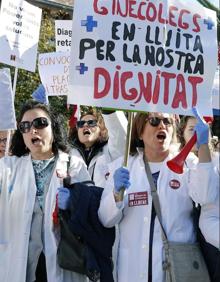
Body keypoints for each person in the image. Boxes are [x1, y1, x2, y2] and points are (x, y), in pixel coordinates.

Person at [98, 109, 218, 282]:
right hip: (132, 272)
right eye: (154, 121)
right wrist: (116, 194)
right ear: (139, 131)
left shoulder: (189, 164)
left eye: (167, 122)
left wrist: (204, 148)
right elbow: (105, 219)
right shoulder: (123, 166)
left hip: (178, 272)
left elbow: (206, 196)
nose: (162, 125)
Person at [0, 100, 91, 282]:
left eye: (40, 123)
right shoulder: (9, 166)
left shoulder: (73, 164)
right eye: (25, 126)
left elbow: (91, 211)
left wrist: (74, 203)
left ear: (54, 129)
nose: (33, 130)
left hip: (62, 261)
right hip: (22, 263)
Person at [177, 114, 220, 282]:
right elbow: (204, 196)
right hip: (191, 245)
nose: (197, 133)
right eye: (191, 129)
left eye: (201, 128)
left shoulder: (217, 159)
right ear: (182, 134)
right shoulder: (181, 159)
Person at [69, 107, 127, 187]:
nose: (85, 125)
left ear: (101, 129)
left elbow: (119, 135)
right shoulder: (67, 154)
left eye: (91, 122)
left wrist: (109, 110)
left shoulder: (110, 150)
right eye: (81, 123)